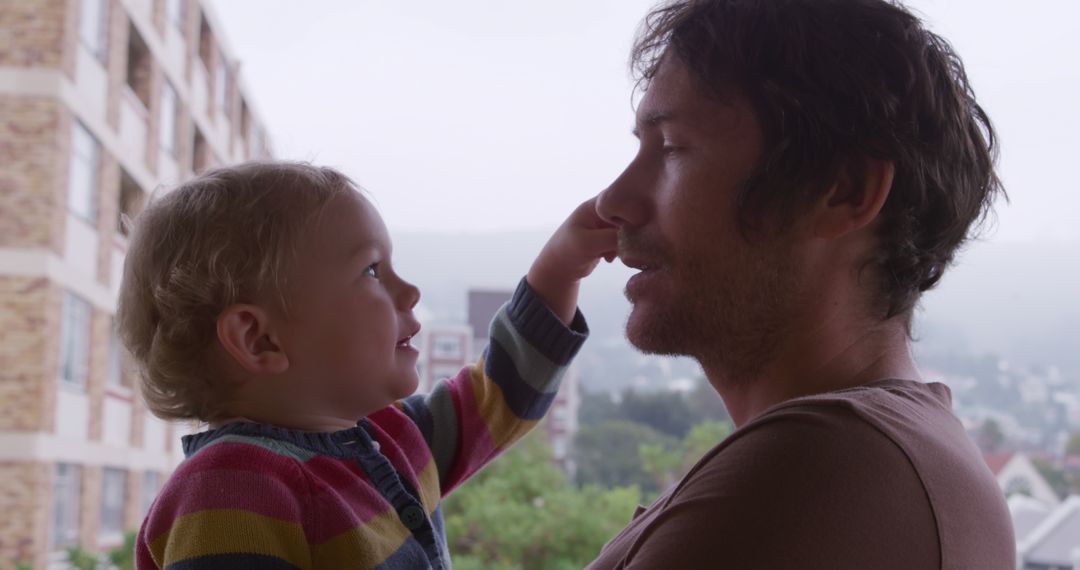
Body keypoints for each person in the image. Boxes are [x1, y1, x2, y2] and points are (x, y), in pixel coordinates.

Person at [587, 0, 1014, 568]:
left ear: (845, 190)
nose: (612, 202)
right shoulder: (904, 453)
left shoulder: (815, 468)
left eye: (671, 148)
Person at [117, 161, 616, 569]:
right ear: (259, 338)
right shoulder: (227, 493)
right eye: (372, 270)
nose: (410, 291)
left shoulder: (392, 438)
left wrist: (560, 267)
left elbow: (501, 394)